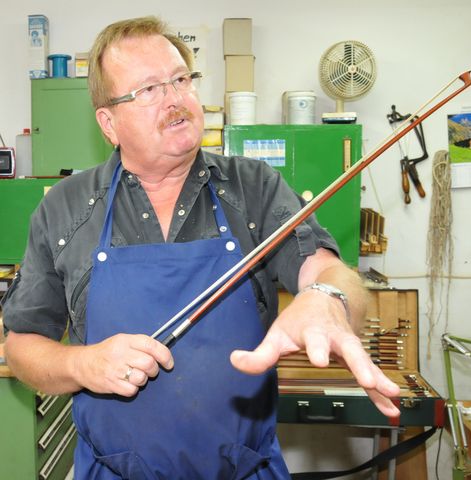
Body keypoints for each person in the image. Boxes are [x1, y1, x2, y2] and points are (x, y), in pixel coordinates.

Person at [2, 16, 400, 480]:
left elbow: (328, 272)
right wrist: (81, 363)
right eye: (149, 89)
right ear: (109, 123)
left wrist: (327, 298)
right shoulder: (65, 208)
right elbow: (21, 346)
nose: (175, 99)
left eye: (181, 79)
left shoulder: (254, 188)